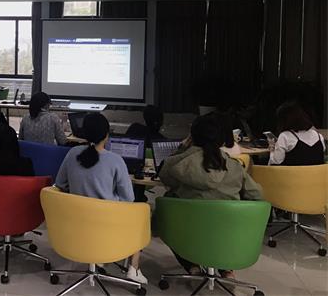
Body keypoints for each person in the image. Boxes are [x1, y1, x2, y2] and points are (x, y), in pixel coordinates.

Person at [159, 114, 263, 277]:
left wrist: (182, 149)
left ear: (192, 137)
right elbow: (257, 195)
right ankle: (226, 269)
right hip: (228, 234)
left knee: (165, 209)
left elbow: (165, 179)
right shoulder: (234, 167)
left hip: (188, 233)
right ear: (221, 140)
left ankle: (192, 265)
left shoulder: (176, 164)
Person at [55, 113, 147, 284]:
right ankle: (133, 269)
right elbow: (129, 198)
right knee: (140, 214)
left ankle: (97, 258)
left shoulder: (72, 154)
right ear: (106, 135)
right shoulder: (115, 160)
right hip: (106, 226)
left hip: (75, 225)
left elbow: (60, 184)